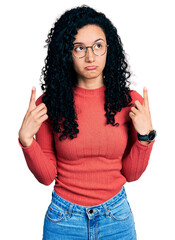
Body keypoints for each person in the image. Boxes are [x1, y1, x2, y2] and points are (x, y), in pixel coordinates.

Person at [18, 5, 156, 240]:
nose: (90, 56)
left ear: (108, 49)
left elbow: (131, 174)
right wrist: (26, 141)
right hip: (64, 220)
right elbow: (46, 177)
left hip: (116, 218)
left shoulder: (130, 102)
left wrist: (145, 138)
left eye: (98, 46)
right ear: (66, 52)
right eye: (79, 48)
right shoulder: (49, 104)